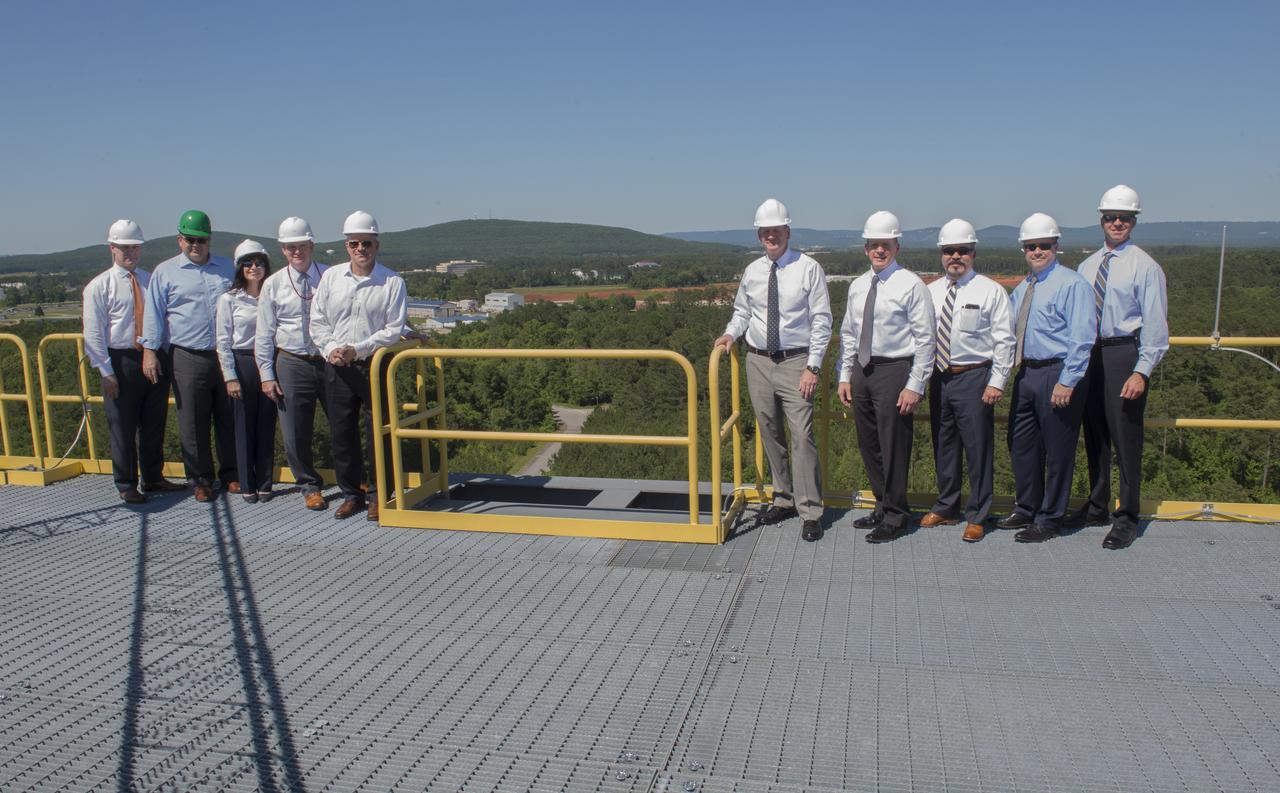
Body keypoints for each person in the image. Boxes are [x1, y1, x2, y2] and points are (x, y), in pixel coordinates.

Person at [714, 198, 832, 542]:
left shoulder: (808, 268)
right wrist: (730, 334)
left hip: (797, 361)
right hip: (758, 360)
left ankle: (811, 510)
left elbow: (822, 321)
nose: (771, 237)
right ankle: (784, 498)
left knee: (802, 436)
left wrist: (813, 367)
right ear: (759, 235)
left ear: (787, 231)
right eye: (765, 232)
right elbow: (742, 313)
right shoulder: (752, 272)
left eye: (776, 231)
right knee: (768, 431)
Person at [1067, 185, 1169, 549]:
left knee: (1126, 438)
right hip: (1089, 354)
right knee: (1094, 434)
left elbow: (1156, 329)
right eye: (1111, 217)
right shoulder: (1087, 265)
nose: (1117, 223)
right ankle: (1097, 504)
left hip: (1123, 353)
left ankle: (1127, 516)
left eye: (1125, 218)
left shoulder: (1145, 267)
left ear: (1134, 221)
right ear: (1101, 220)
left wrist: (1141, 371)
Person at [837, 211, 936, 543]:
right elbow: (849, 333)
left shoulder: (911, 285)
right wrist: (845, 375)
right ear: (865, 248)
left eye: (886, 244)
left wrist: (915, 384)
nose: (880, 250)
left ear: (897, 246)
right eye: (874, 245)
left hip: (895, 369)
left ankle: (896, 515)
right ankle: (882, 504)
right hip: (863, 370)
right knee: (869, 443)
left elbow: (925, 340)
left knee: (893, 444)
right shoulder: (858, 285)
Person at [998, 213, 1096, 542]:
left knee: (1058, 450)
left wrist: (1068, 381)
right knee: (1021, 443)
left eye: (1044, 245)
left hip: (1057, 371)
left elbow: (1082, 338)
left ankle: (1050, 517)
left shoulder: (1072, 284)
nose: (1037, 251)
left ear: (1056, 246)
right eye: (1031, 246)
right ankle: (1026, 507)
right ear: (1023, 249)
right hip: (1026, 372)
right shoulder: (1024, 286)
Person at [919, 220, 1015, 542]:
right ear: (941, 254)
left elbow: (1005, 341)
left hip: (974, 377)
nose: (955, 256)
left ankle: (978, 514)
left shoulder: (990, 291)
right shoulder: (930, 292)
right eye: (949, 251)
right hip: (940, 377)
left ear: (973, 253)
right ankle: (947, 506)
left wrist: (997, 381)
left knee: (977, 449)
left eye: (962, 250)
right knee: (944, 446)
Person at [310, 210, 407, 521]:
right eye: (354, 243)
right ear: (346, 246)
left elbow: (393, 329)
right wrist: (330, 349)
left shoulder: (392, 282)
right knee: (342, 433)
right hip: (337, 366)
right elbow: (318, 321)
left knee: (379, 432)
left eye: (366, 243)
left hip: (375, 365)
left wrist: (359, 349)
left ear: (376, 245)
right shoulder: (330, 278)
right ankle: (352, 494)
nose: (360, 249)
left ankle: (379, 495)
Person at [82, 220, 185, 503]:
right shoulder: (99, 287)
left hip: (152, 357)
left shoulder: (149, 280)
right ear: (112, 248)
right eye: (125, 247)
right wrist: (105, 371)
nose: (130, 253)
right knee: (123, 426)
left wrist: (164, 355)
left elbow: (161, 321)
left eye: (135, 247)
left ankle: (153, 477)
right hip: (121, 360)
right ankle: (126, 483)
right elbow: (93, 333)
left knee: (154, 421)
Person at [139, 210, 237, 502]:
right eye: (190, 240)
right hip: (186, 354)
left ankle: (231, 475)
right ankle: (200, 479)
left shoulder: (227, 268)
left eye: (201, 240)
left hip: (224, 354)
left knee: (228, 416)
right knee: (192, 421)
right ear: (179, 240)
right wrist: (149, 352)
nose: (196, 245)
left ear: (210, 240)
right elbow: (154, 315)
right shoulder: (165, 272)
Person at [255, 217, 329, 511]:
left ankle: (353, 481)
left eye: (301, 246)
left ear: (311, 245)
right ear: (282, 250)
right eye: (290, 247)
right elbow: (264, 333)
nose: (296, 252)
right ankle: (309, 486)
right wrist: (266, 374)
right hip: (291, 360)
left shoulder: (330, 276)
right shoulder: (272, 285)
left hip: (328, 359)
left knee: (343, 423)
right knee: (294, 430)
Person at [218, 240, 278, 503]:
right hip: (242, 363)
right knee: (243, 426)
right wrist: (230, 376)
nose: (254, 267)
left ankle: (265, 482)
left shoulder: (273, 294)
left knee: (267, 424)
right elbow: (222, 341)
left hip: (268, 363)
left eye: (259, 263)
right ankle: (246, 483)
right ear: (239, 268)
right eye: (248, 263)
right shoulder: (229, 300)